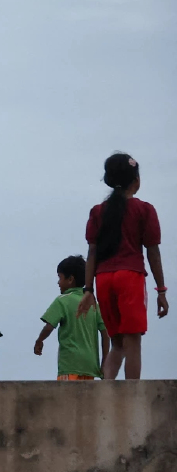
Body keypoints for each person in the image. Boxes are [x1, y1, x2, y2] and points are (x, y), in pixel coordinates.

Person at [76, 153, 167, 380]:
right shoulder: (144, 210)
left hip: (103, 279)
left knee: (117, 344)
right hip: (130, 276)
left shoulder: (98, 211)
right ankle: (132, 395)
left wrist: (88, 290)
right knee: (132, 341)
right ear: (136, 180)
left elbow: (92, 252)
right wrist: (161, 290)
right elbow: (152, 251)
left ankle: (106, 390)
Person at [34, 255, 108, 380]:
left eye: (60, 278)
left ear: (70, 280)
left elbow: (49, 326)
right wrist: (105, 362)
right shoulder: (93, 304)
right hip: (90, 367)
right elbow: (105, 333)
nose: (58, 282)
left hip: (70, 365)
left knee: (67, 399)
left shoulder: (62, 301)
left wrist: (39, 341)